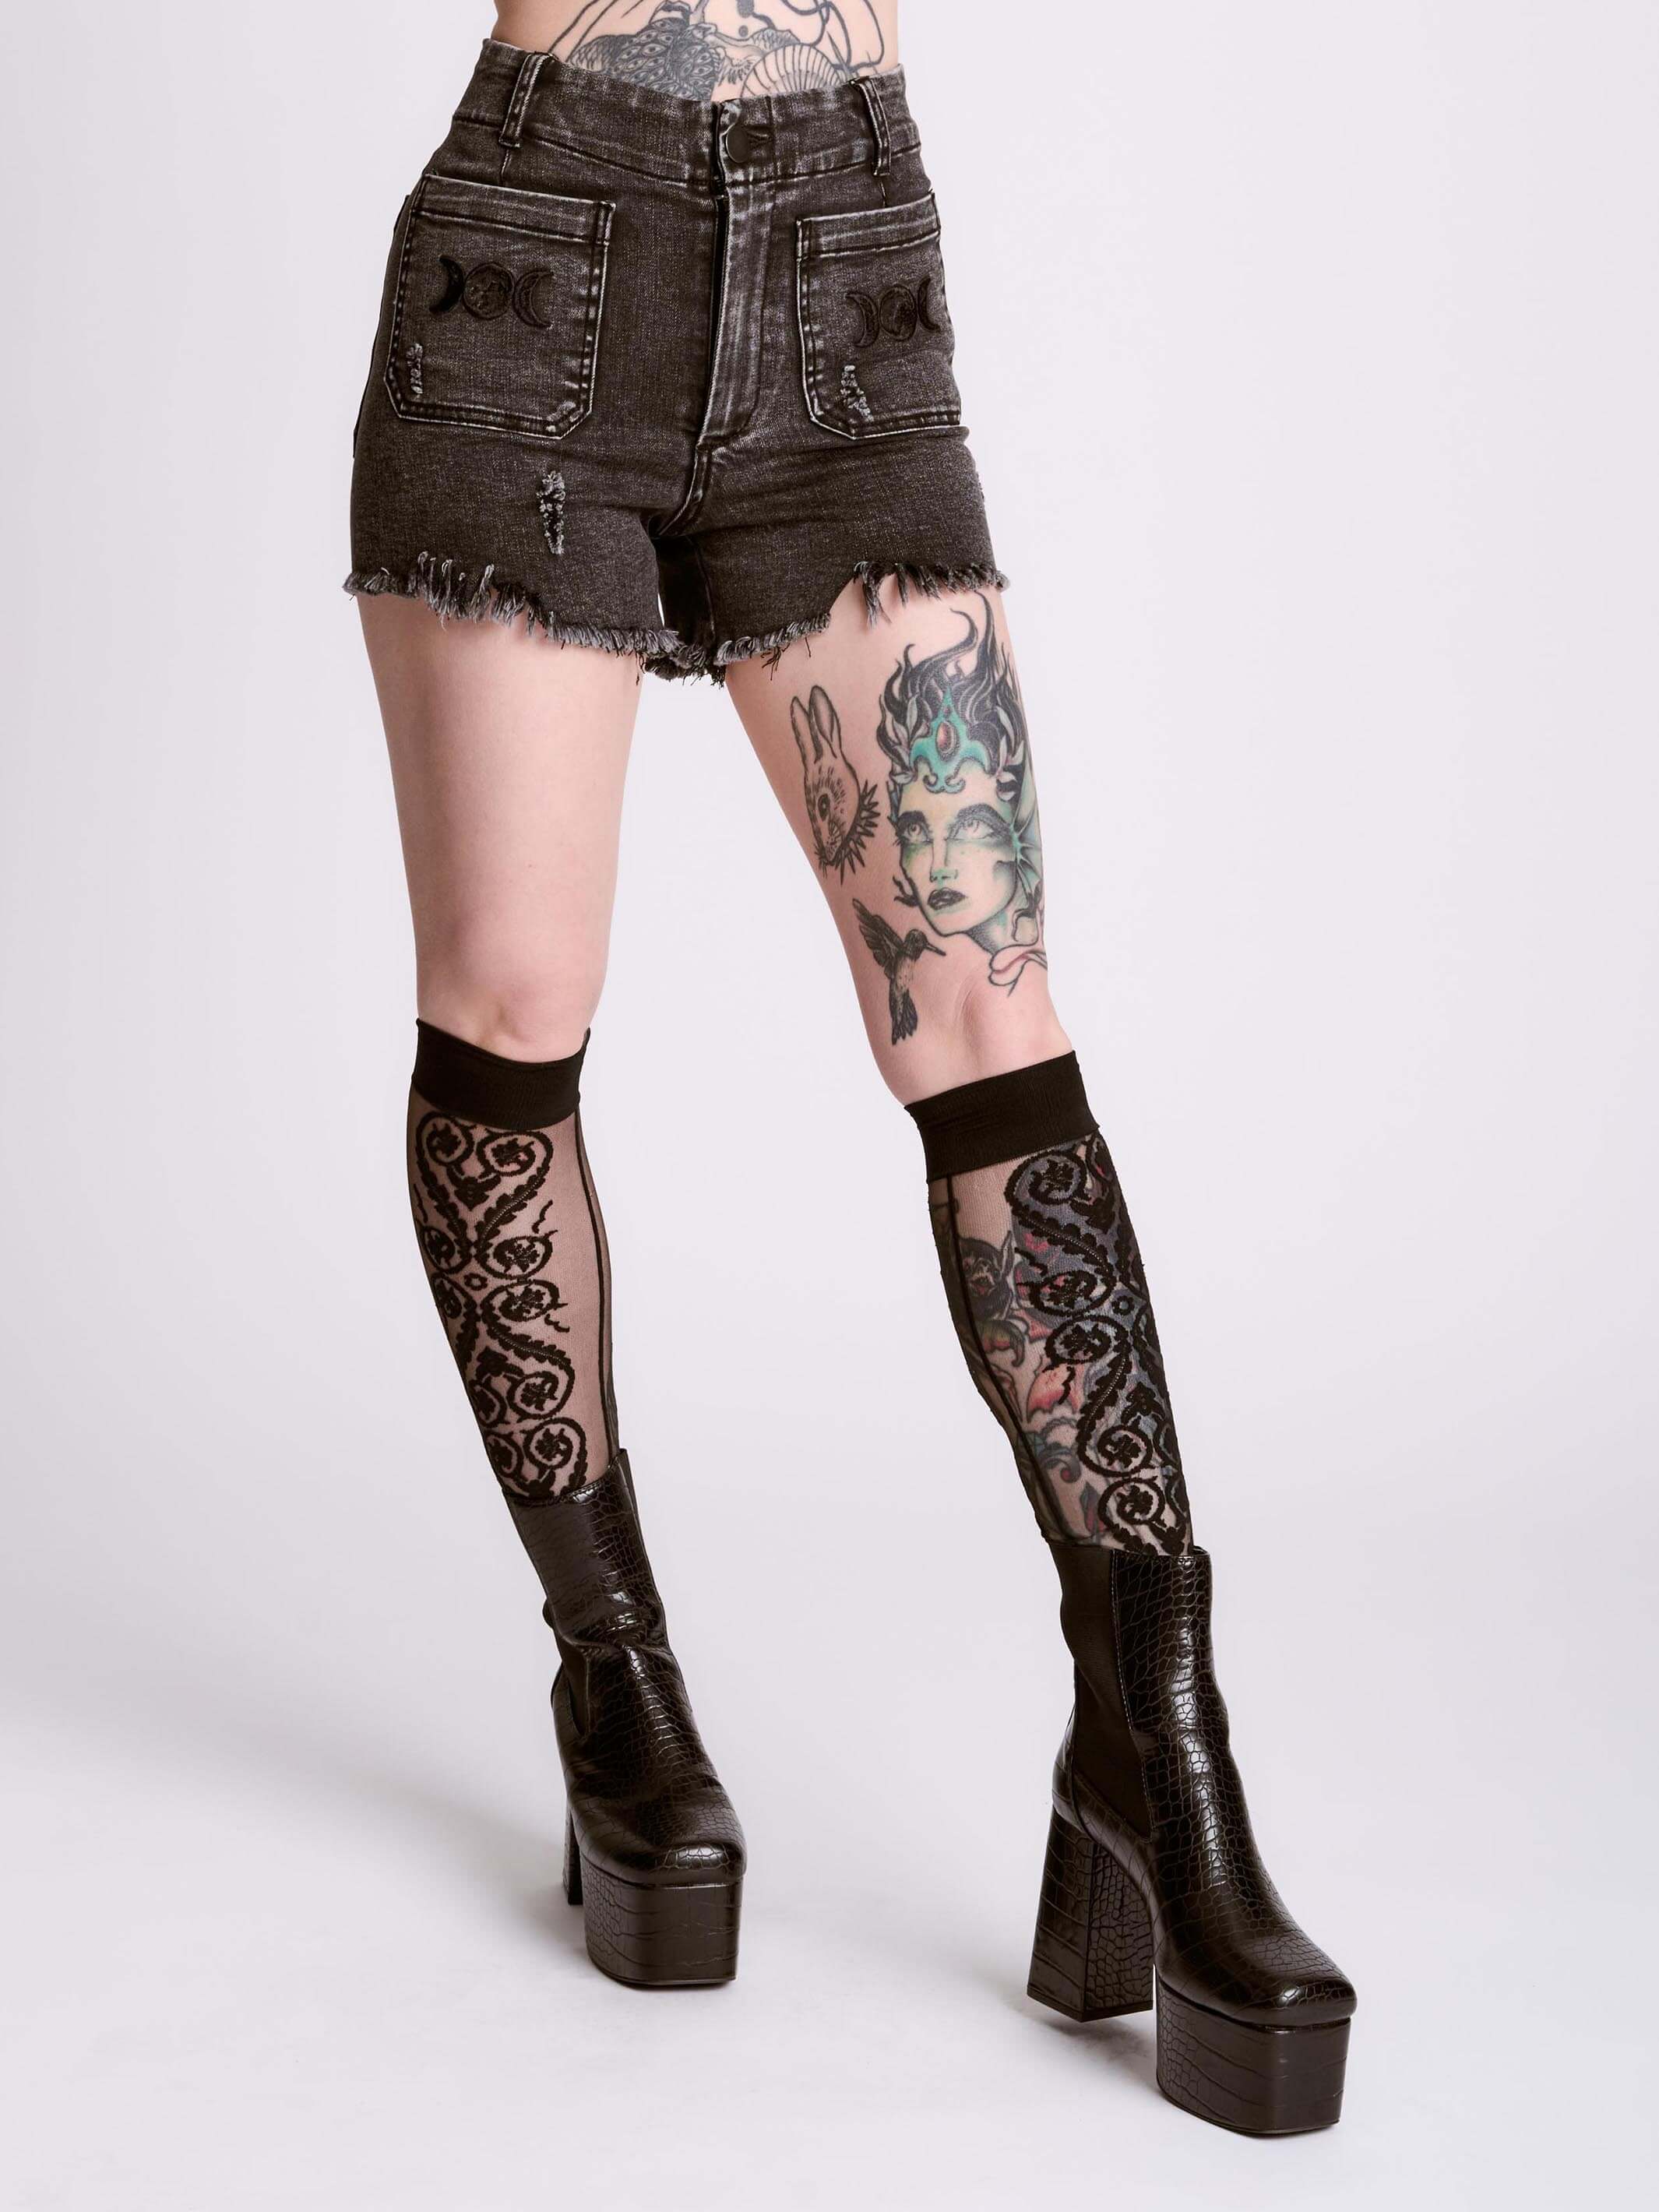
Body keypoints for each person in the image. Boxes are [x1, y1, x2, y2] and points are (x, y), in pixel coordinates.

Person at [347, 1, 1355, 2134]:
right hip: (533, 270)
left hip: (845, 281)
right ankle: (617, 1686)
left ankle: (1158, 1747)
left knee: (985, 1010)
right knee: (514, 997)